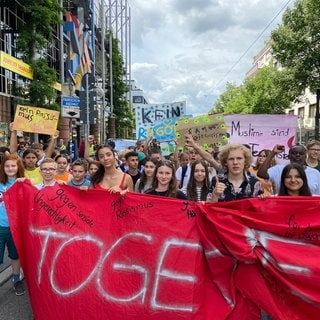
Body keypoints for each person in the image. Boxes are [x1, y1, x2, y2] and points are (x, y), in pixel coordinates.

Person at [0, 154, 26, 295]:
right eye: (7, 166)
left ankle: (16, 279)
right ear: (3, 167)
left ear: (18, 167)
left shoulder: (23, 184)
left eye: (13, 166)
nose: (10, 168)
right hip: (0, 226)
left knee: (15, 256)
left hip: (15, 228)